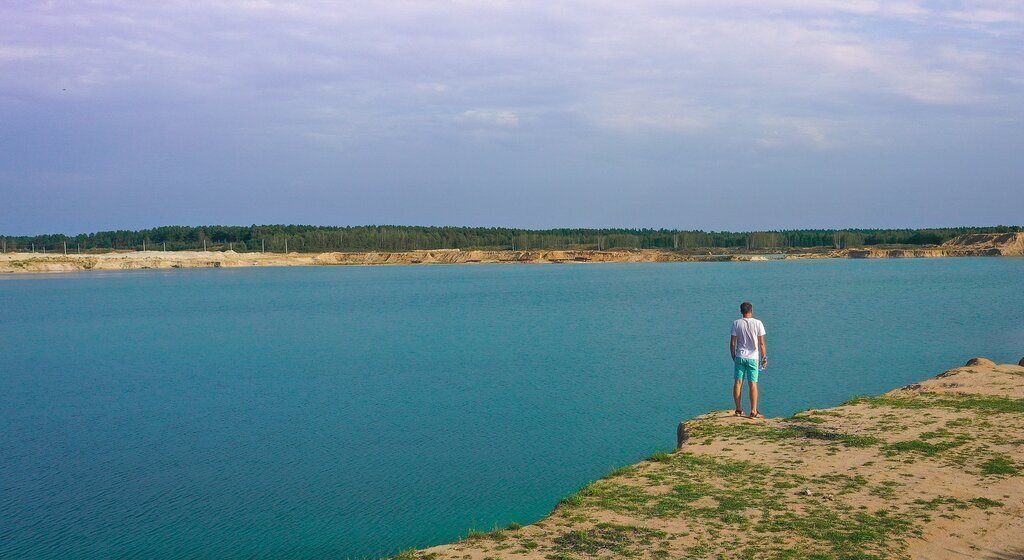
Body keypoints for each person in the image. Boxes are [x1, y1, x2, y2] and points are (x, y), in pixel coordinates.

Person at [730, 301, 767, 418]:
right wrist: (764, 358)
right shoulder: (758, 323)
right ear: (751, 310)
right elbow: (761, 343)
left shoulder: (736, 323)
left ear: (741, 311)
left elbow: (732, 343)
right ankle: (753, 411)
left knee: (738, 382)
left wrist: (734, 356)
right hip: (753, 358)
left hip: (740, 356)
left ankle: (738, 409)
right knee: (753, 384)